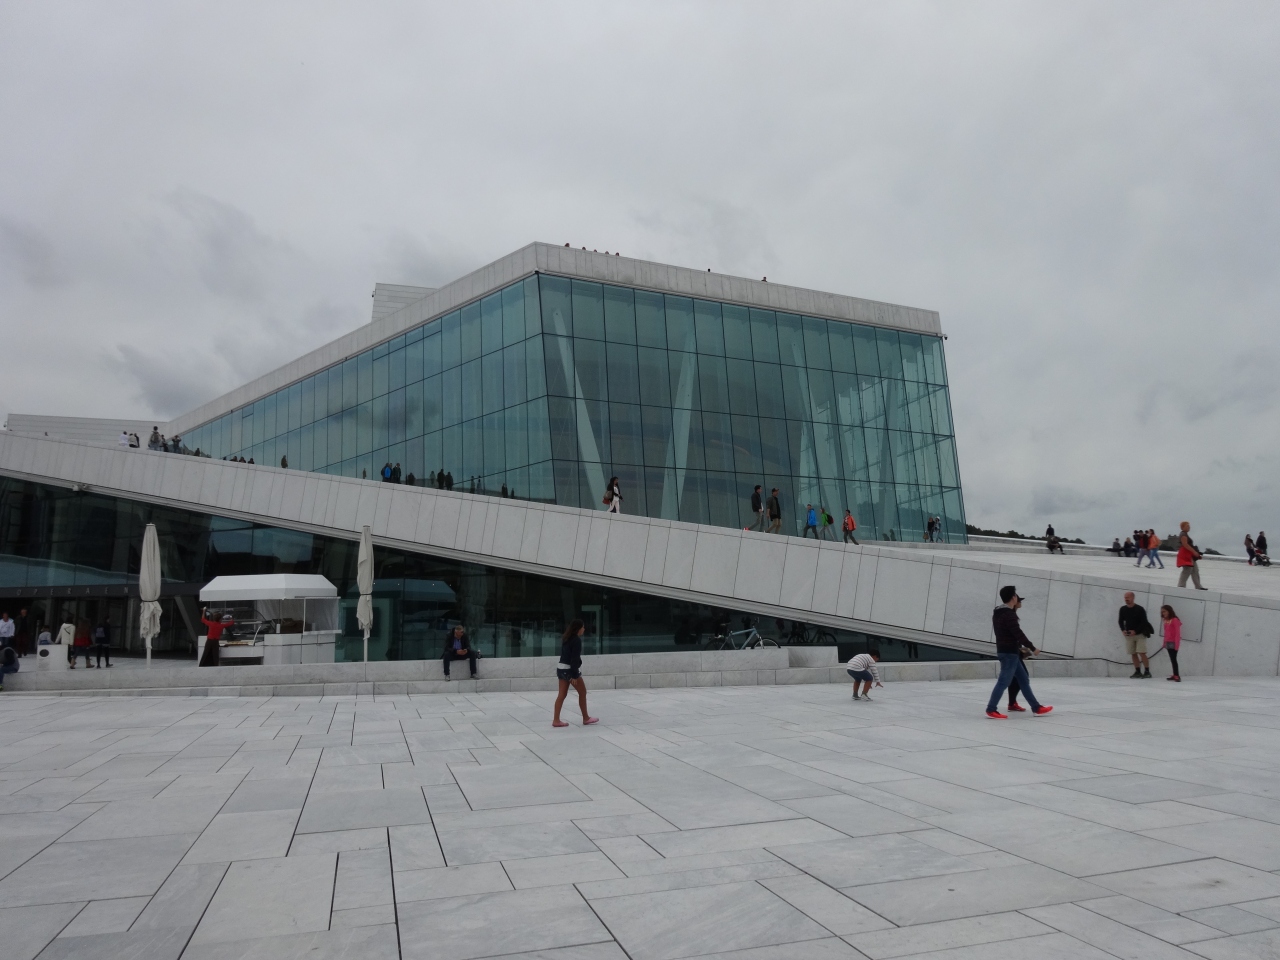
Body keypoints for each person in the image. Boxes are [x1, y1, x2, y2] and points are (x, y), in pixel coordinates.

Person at [986, 586, 1052, 719]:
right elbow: (1018, 634)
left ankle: (1036, 707)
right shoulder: (1009, 614)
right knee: (1003, 682)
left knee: (1023, 679)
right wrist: (1032, 648)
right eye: (1016, 595)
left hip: (1007, 651)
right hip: (1009, 653)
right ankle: (991, 709)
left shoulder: (998, 612)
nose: (1017, 597)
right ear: (1013, 597)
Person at [552, 619, 598, 728]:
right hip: (570, 670)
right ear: (578, 629)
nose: (584, 629)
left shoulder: (566, 638)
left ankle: (556, 720)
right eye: (583, 627)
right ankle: (586, 718)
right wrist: (574, 675)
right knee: (583, 692)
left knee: (561, 695)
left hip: (561, 668)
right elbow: (574, 659)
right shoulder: (576, 640)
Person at [1119, 591, 1154, 678]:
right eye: (1125, 598)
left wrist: (1135, 631)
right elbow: (1120, 621)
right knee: (1133, 653)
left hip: (1140, 635)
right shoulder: (1123, 609)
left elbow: (1144, 622)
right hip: (1129, 635)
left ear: (1133, 598)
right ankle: (1137, 671)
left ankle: (1147, 671)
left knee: (1142, 652)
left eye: (1128, 597)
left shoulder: (1140, 609)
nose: (1126, 599)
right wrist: (1123, 630)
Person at [1177, 521, 1207, 590]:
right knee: (1187, 570)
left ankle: (1198, 586)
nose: (1189, 527)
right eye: (1187, 526)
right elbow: (1185, 544)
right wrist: (1194, 551)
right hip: (1186, 555)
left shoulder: (1185, 534)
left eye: (1189, 526)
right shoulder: (1183, 534)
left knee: (1195, 570)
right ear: (1183, 527)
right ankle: (1181, 586)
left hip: (1189, 555)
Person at [1160, 604, 1182, 682]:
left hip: (1173, 642)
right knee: (1172, 659)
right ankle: (1175, 674)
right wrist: (1164, 643)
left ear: (1169, 611)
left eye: (1164, 611)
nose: (1163, 613)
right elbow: (1166, 633)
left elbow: (1177, 633)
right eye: (1162, 612)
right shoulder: (1166, 621)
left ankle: (1177, 675)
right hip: (1168, 642)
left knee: (1173, 659)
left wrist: (1177, 645)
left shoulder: (1174, 620)